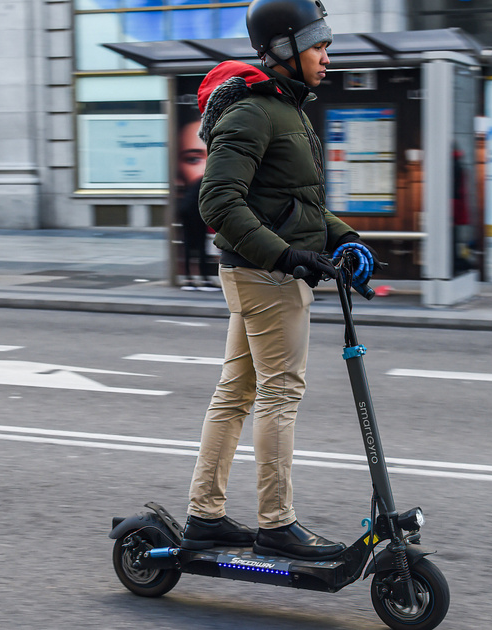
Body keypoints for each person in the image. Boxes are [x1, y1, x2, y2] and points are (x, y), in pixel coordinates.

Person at [181, 0, 377, 561]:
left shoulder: (282, 106)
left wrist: (345, 237)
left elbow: (299, 203)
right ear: (285, 47)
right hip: (265, 275)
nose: (327, 55)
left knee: (236, 393)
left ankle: (205, 515)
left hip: (265, 271)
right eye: (318, 44)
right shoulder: (254, 110)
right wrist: (287, 256)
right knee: (279, 392)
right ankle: (276, 522)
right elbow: (216, 201)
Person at [176, 110, 219, 291]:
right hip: (194, 211)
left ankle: (190, 280)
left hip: (189, 209)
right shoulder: (210, 177)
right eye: (193, 158)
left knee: (190, 244)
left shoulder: (203, 178)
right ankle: (201, 280)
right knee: (198, 245)